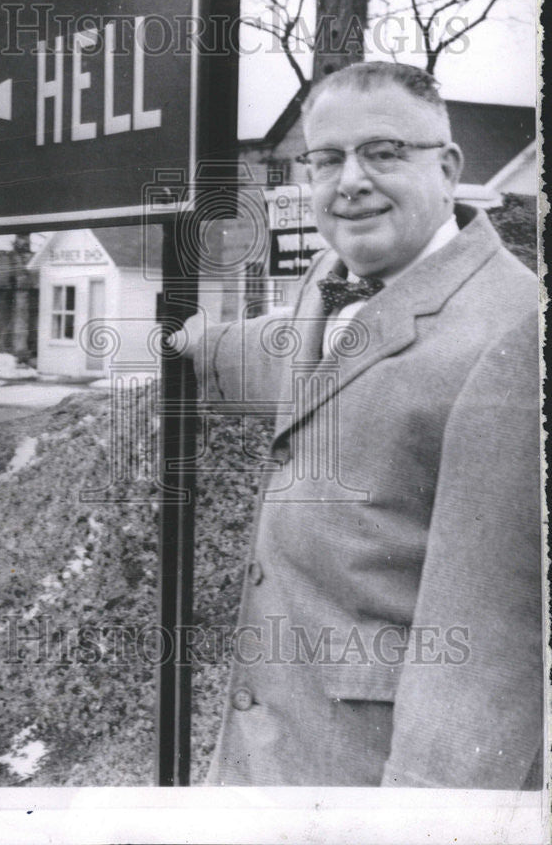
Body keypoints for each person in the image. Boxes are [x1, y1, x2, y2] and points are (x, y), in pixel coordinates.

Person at [180, 61, 542, 787]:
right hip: (265, 756)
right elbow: (296, 359)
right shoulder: (330, 275)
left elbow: (485, 652)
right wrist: (185, 348)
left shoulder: (515, 334)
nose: (348, 179)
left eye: (382, 153)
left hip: (367, 781)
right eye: (326, 159)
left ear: (446, 168)